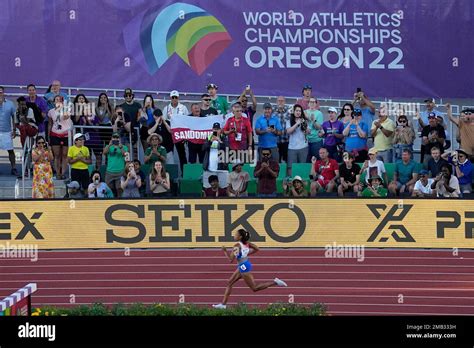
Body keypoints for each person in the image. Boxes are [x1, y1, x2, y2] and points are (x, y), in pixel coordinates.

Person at [212, 229, 288, 309]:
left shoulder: (237, 246)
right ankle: (223, 305)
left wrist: (224, 251)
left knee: (255, 288)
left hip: (243, 267)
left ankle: (275, 282)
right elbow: (257, 249)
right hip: (244, 265)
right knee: (229, 282)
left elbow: (230, 259)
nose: (234, 236)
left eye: (236, 234)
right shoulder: (248, 244)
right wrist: (246, 254)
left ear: (240, 237)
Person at [72, 94, 102, 170]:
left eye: (83, 99)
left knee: (98, 155)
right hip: (85, 139)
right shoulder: (76, 112)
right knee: (88, 156)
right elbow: (76, 121)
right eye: (79, 99)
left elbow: (97, 128)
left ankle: (98, 170)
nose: (82, 100)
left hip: (95, 138)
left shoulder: (93, 116)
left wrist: (89, 121)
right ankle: (90, 171)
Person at [163, 90, 189, 171]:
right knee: (169, 153)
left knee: (182, 154)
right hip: (169, 133)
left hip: (179, 133)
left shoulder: (183, 107)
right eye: (173, 97)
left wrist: (185, 134)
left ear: (178, 98)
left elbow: (187, 120)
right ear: (170, 98)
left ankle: (184, 172)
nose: (174, 99)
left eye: (176, 97)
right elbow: (164, 121)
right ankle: (169, 173)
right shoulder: (166, 108)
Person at [48, 95, 73, 179]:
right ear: (54, 102)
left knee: (64, 155)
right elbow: (50, 123)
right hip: (55, 134)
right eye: (56, 100)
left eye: (60, 100)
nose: (58, 101)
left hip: (66, 134)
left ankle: (63, 173)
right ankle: (58, 174)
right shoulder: (51, 111)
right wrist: (48, 135)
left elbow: (66, 116)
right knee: (57, 155)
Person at [286, 104, 310, 176]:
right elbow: (288, 131)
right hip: (292, 148)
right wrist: (297, 124)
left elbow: (308, 132)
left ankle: (302, 181)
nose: (298, 112)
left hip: (303, 147)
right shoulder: (289, 121)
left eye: (300, 111)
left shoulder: (304, 120)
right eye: (297, 110)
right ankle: (291, 181)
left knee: (302, 166)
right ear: (294, 111)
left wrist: (305, 127)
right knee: (291, 167)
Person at [104, 132, 129, 198]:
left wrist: (120, 147)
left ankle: (119, 201)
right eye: (114, 137)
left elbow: (125, 155)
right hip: (109, 171)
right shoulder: (108, 146)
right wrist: (109, 145)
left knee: (119, 189)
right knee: (108, 188)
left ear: (120, 139)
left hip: (120, 171)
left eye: (117, 137)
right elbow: (104, 153)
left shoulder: (124, 147)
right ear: (112, 138)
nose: (115, 139)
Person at [0, 86, 18, 175]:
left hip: (6, 131)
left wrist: (14, 130)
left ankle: (14, 168)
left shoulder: (10, 104)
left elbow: (14, 117)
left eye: (1, 92)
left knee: (10, 150)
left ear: (3, 93)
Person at [275, 96, 290, 163]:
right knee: (277, 161)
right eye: (279, 100)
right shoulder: (272, 111)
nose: (280, 102)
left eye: (282, 100)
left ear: (285, 102)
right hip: (276, 141)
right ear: (276, 102)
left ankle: (286, 174)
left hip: (286, 140)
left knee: (287, 161)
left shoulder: (289, 111)